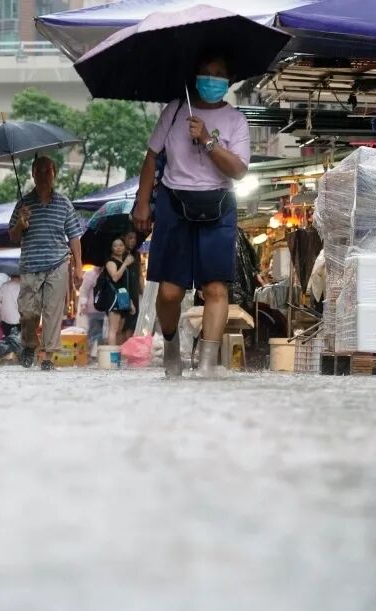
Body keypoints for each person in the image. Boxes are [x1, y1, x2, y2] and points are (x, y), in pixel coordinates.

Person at [132, 49, 251, 378]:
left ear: (227, 81)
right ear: (195, 77)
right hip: (174, 204)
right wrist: (143, 202)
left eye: (219, 73)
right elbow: (151, 157)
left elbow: (239, 170)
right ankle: (171, 346)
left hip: (218, 205)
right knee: (170, 292)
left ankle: (207, 364)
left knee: (215, 289)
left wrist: (207, 141)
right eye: (206, 72)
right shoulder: (174, 110)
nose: (212, 79)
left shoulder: (236, 121)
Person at [9, 156, 84, 371]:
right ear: (32, 174)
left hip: (57, 263)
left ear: (54, 174)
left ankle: (49, 357)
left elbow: (74, 236)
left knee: (53, 311)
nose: (43, 175)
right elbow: (12, 236)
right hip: (30, 265)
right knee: (28, 311)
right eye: (39, 171)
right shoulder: (23, 204)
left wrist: (78, 266)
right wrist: (20, 224)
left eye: (47, 171)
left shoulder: (64, 203)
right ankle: (30, 345)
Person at [104, 237, 137, 346]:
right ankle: (112, 357)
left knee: (120, 330)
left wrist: (130, 301)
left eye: (121, 245)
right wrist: (125, 264)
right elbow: (115, 277)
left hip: (123, 299)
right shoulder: (110, 262)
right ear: (111, 248)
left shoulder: (122, 261)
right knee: (113, 329)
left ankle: (117, 356)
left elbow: (125, 285)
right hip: (114, 299)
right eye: (115, 245)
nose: (118, 248)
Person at [121, 230, 144, 342]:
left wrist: (142, 289)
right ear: (124, 238)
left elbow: (140, 274)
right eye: (130, 238)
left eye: (134, 238)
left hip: (134, 290)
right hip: (123, 290)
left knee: (133, 320)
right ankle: (122, 346)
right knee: (124, 320)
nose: (133, 241)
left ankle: (129, 346)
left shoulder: (136, 254)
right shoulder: (120, 254)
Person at [77, 266, 105, 354]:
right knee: (93, 333)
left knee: (100, 334)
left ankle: (98, 354)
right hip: (93, 309)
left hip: (103, 310)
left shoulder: (106, 273)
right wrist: (83, 304)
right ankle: (87, 353)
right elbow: (84, 290)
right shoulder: (90, 274)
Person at [0, 274, 21, 338]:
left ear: (11, 276)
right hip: (19, 321)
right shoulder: (23, 287)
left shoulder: (4, 286)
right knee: (18, 341)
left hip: (5, 320)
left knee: (7, 340)